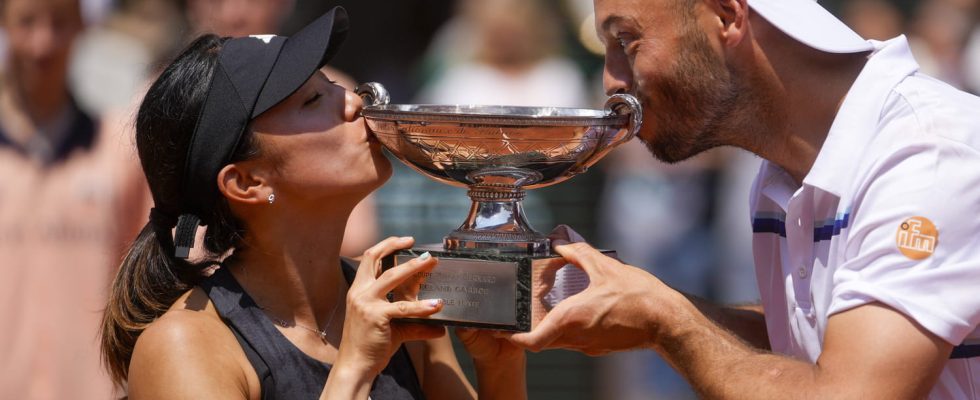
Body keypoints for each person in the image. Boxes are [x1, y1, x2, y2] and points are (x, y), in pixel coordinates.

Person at [508, 0, 980, 398]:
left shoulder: (930, 154)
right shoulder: (784, 168)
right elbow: (819, 340)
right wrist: (636, 307)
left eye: (627, 41)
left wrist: (664, 319)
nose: (612, 80)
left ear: (726, 17)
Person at [99, 7, 526, 399]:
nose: (357, 103)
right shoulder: (183, 345)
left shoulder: (396, 299)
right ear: (247, 182)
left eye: (334, 86)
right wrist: (355, 367)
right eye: (314, 100)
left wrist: (499, 365)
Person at [0, 0, 148, 397]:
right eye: (26, 23)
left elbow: (149, 274)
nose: (42, 43)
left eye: (59, 23)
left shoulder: (119, 149)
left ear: (82, 26)